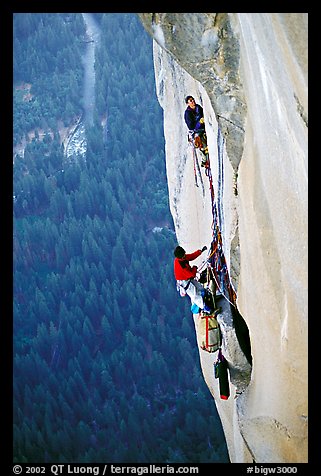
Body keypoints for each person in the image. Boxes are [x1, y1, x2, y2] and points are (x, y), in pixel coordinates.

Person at [174, 245, 212, 312]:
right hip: (184, 282)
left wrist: (200, 251)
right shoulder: (181, 265)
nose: (185, 255)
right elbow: (191, 274)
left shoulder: (181, 258)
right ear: (180, 257)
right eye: (183, 255)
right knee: (194, 294)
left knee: (199, 287)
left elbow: (190, 256)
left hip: (187, 278)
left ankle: (206, 296)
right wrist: (194, 268)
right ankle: (205, 308)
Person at [184, 96, 208, 162]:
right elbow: (191, 127)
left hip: (203, 128)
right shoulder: (187, 113)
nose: (193, 101)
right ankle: (204, 159)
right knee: (200, 140)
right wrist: (199, 123)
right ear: (188, 103)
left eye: (193, 99)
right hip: (196, 131)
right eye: (190, 101)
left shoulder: (198, 108)